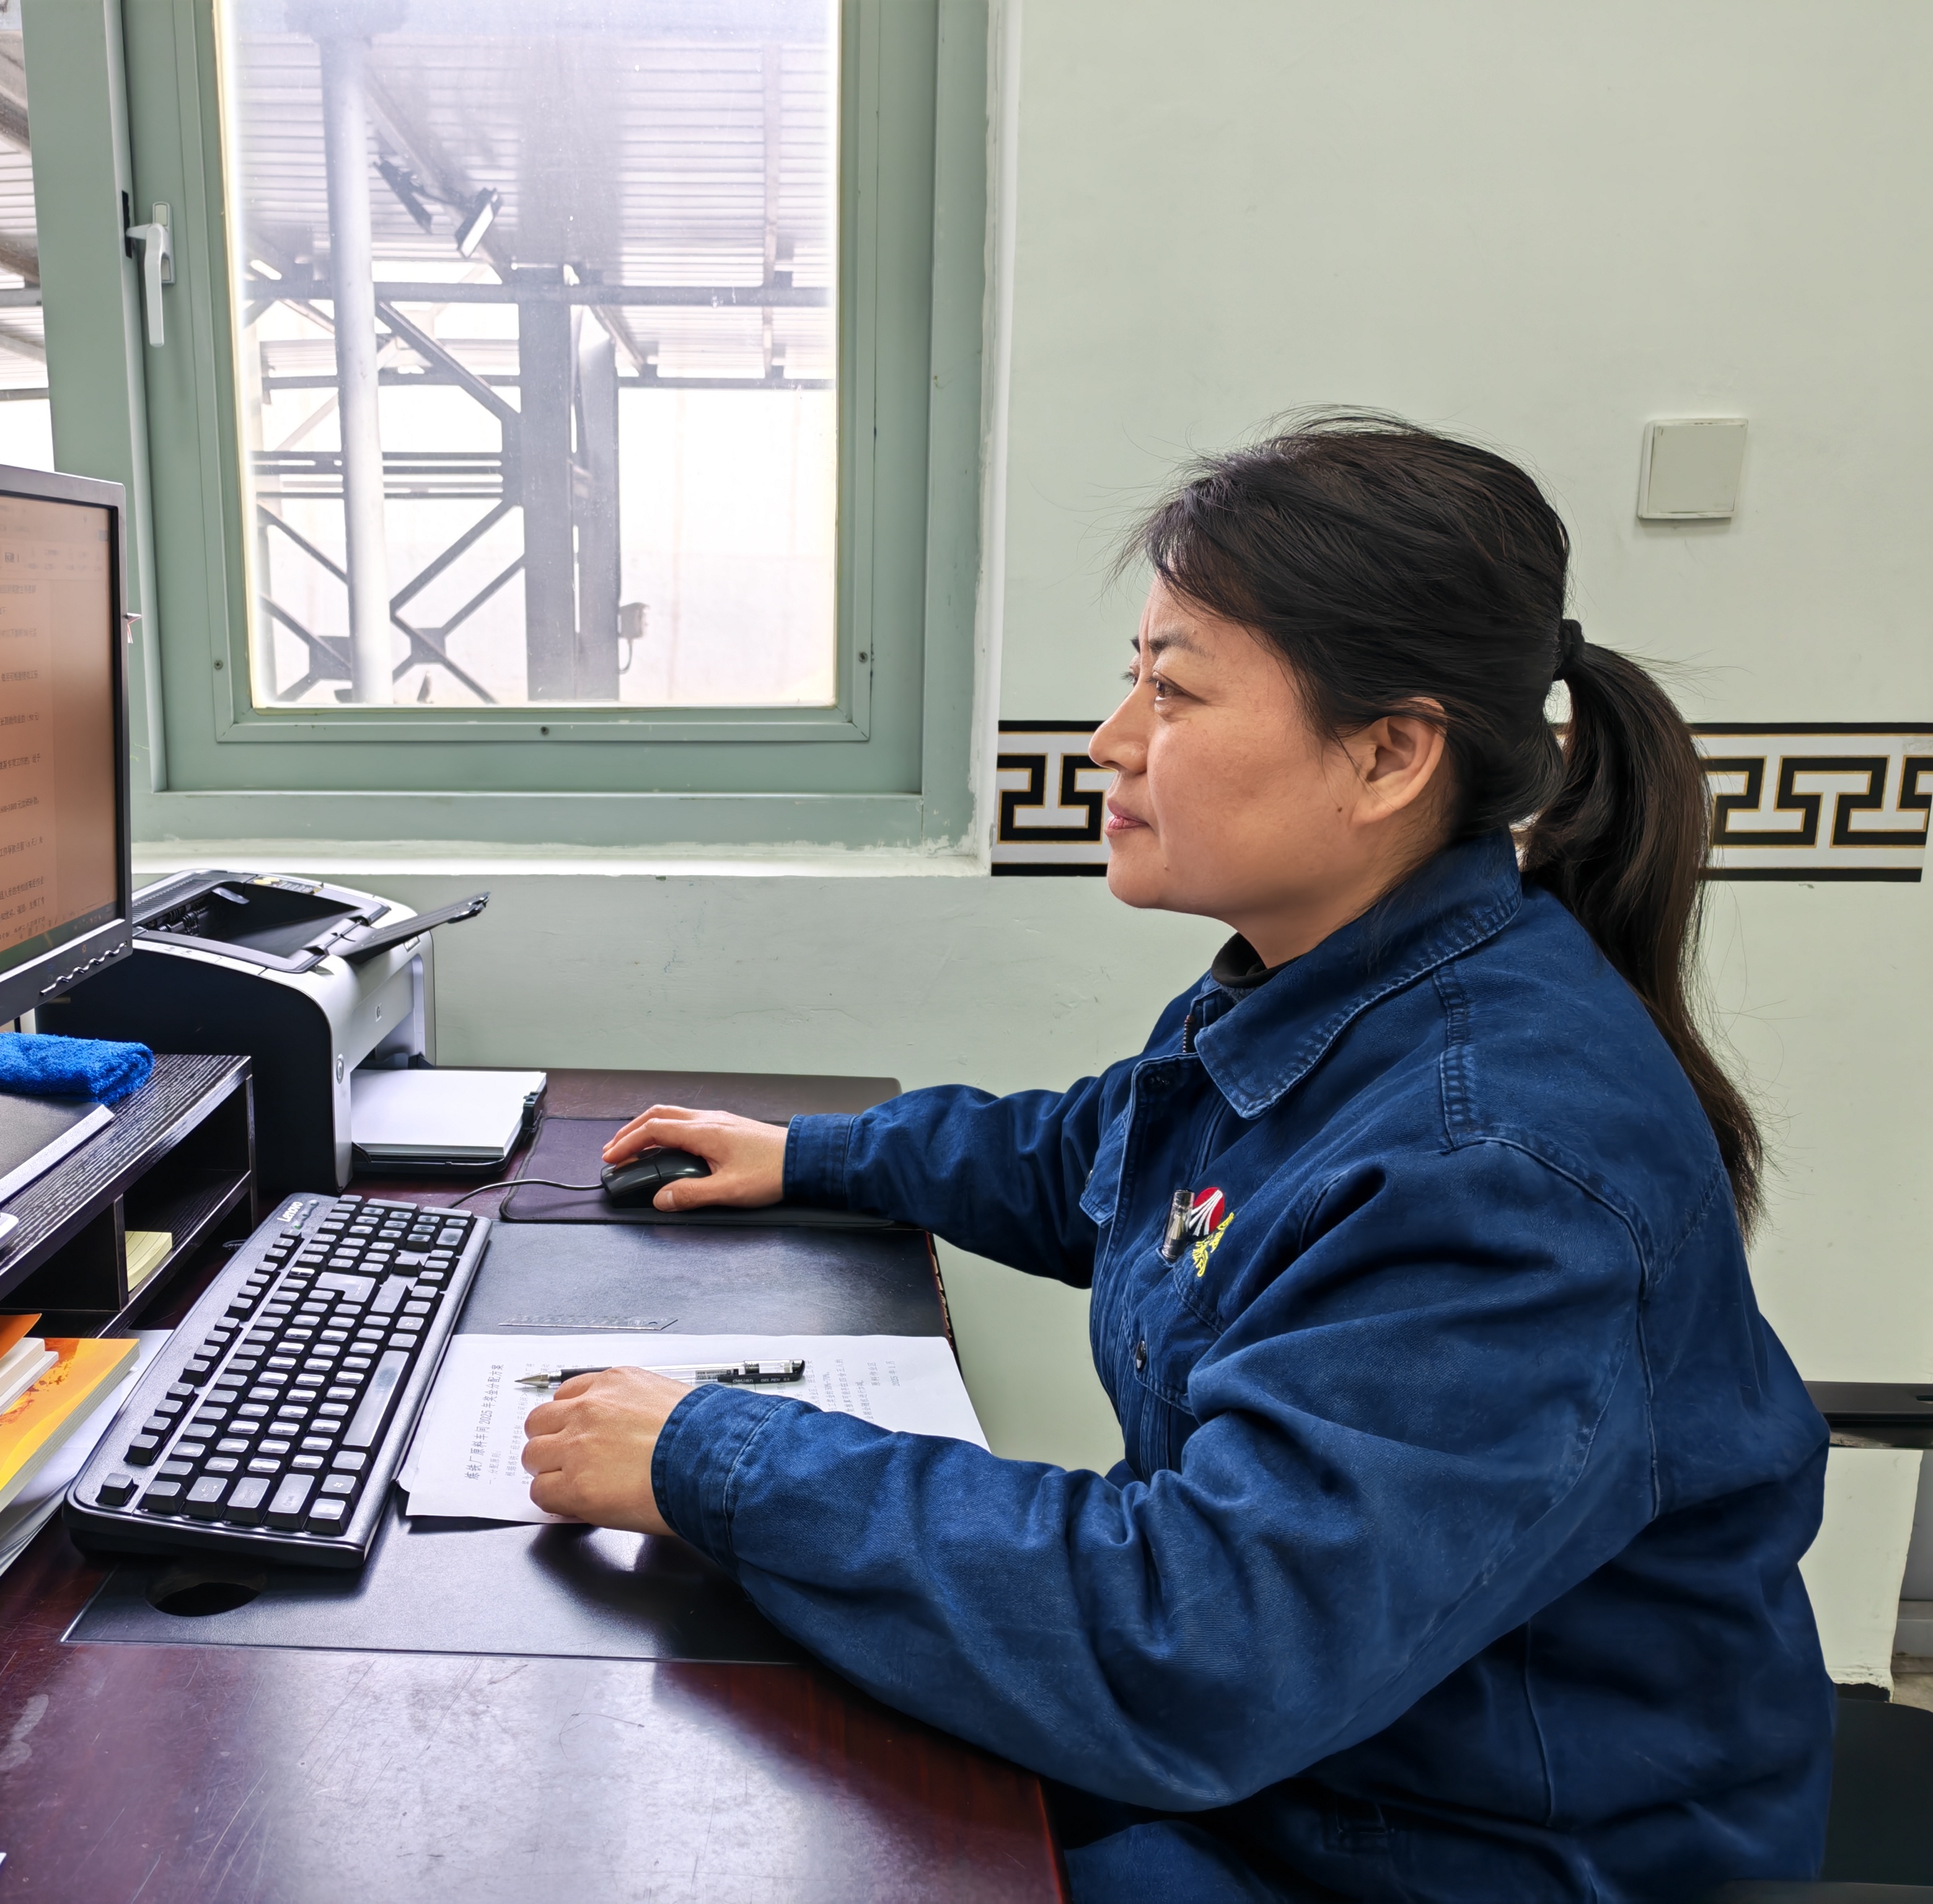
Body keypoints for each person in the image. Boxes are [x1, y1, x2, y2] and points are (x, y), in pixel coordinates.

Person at [519, 414, 1833, 1902]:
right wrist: (822, 1157)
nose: (1111, 740)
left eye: (1174, 689)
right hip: (1314, 1767)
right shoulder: (1328, 987)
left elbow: (1204, 1642)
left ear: (1387, 755)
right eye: (1132, 677)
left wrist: (718, 1457)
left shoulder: (1496, 1168)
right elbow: (1112, 1159)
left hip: (1464, 1853)